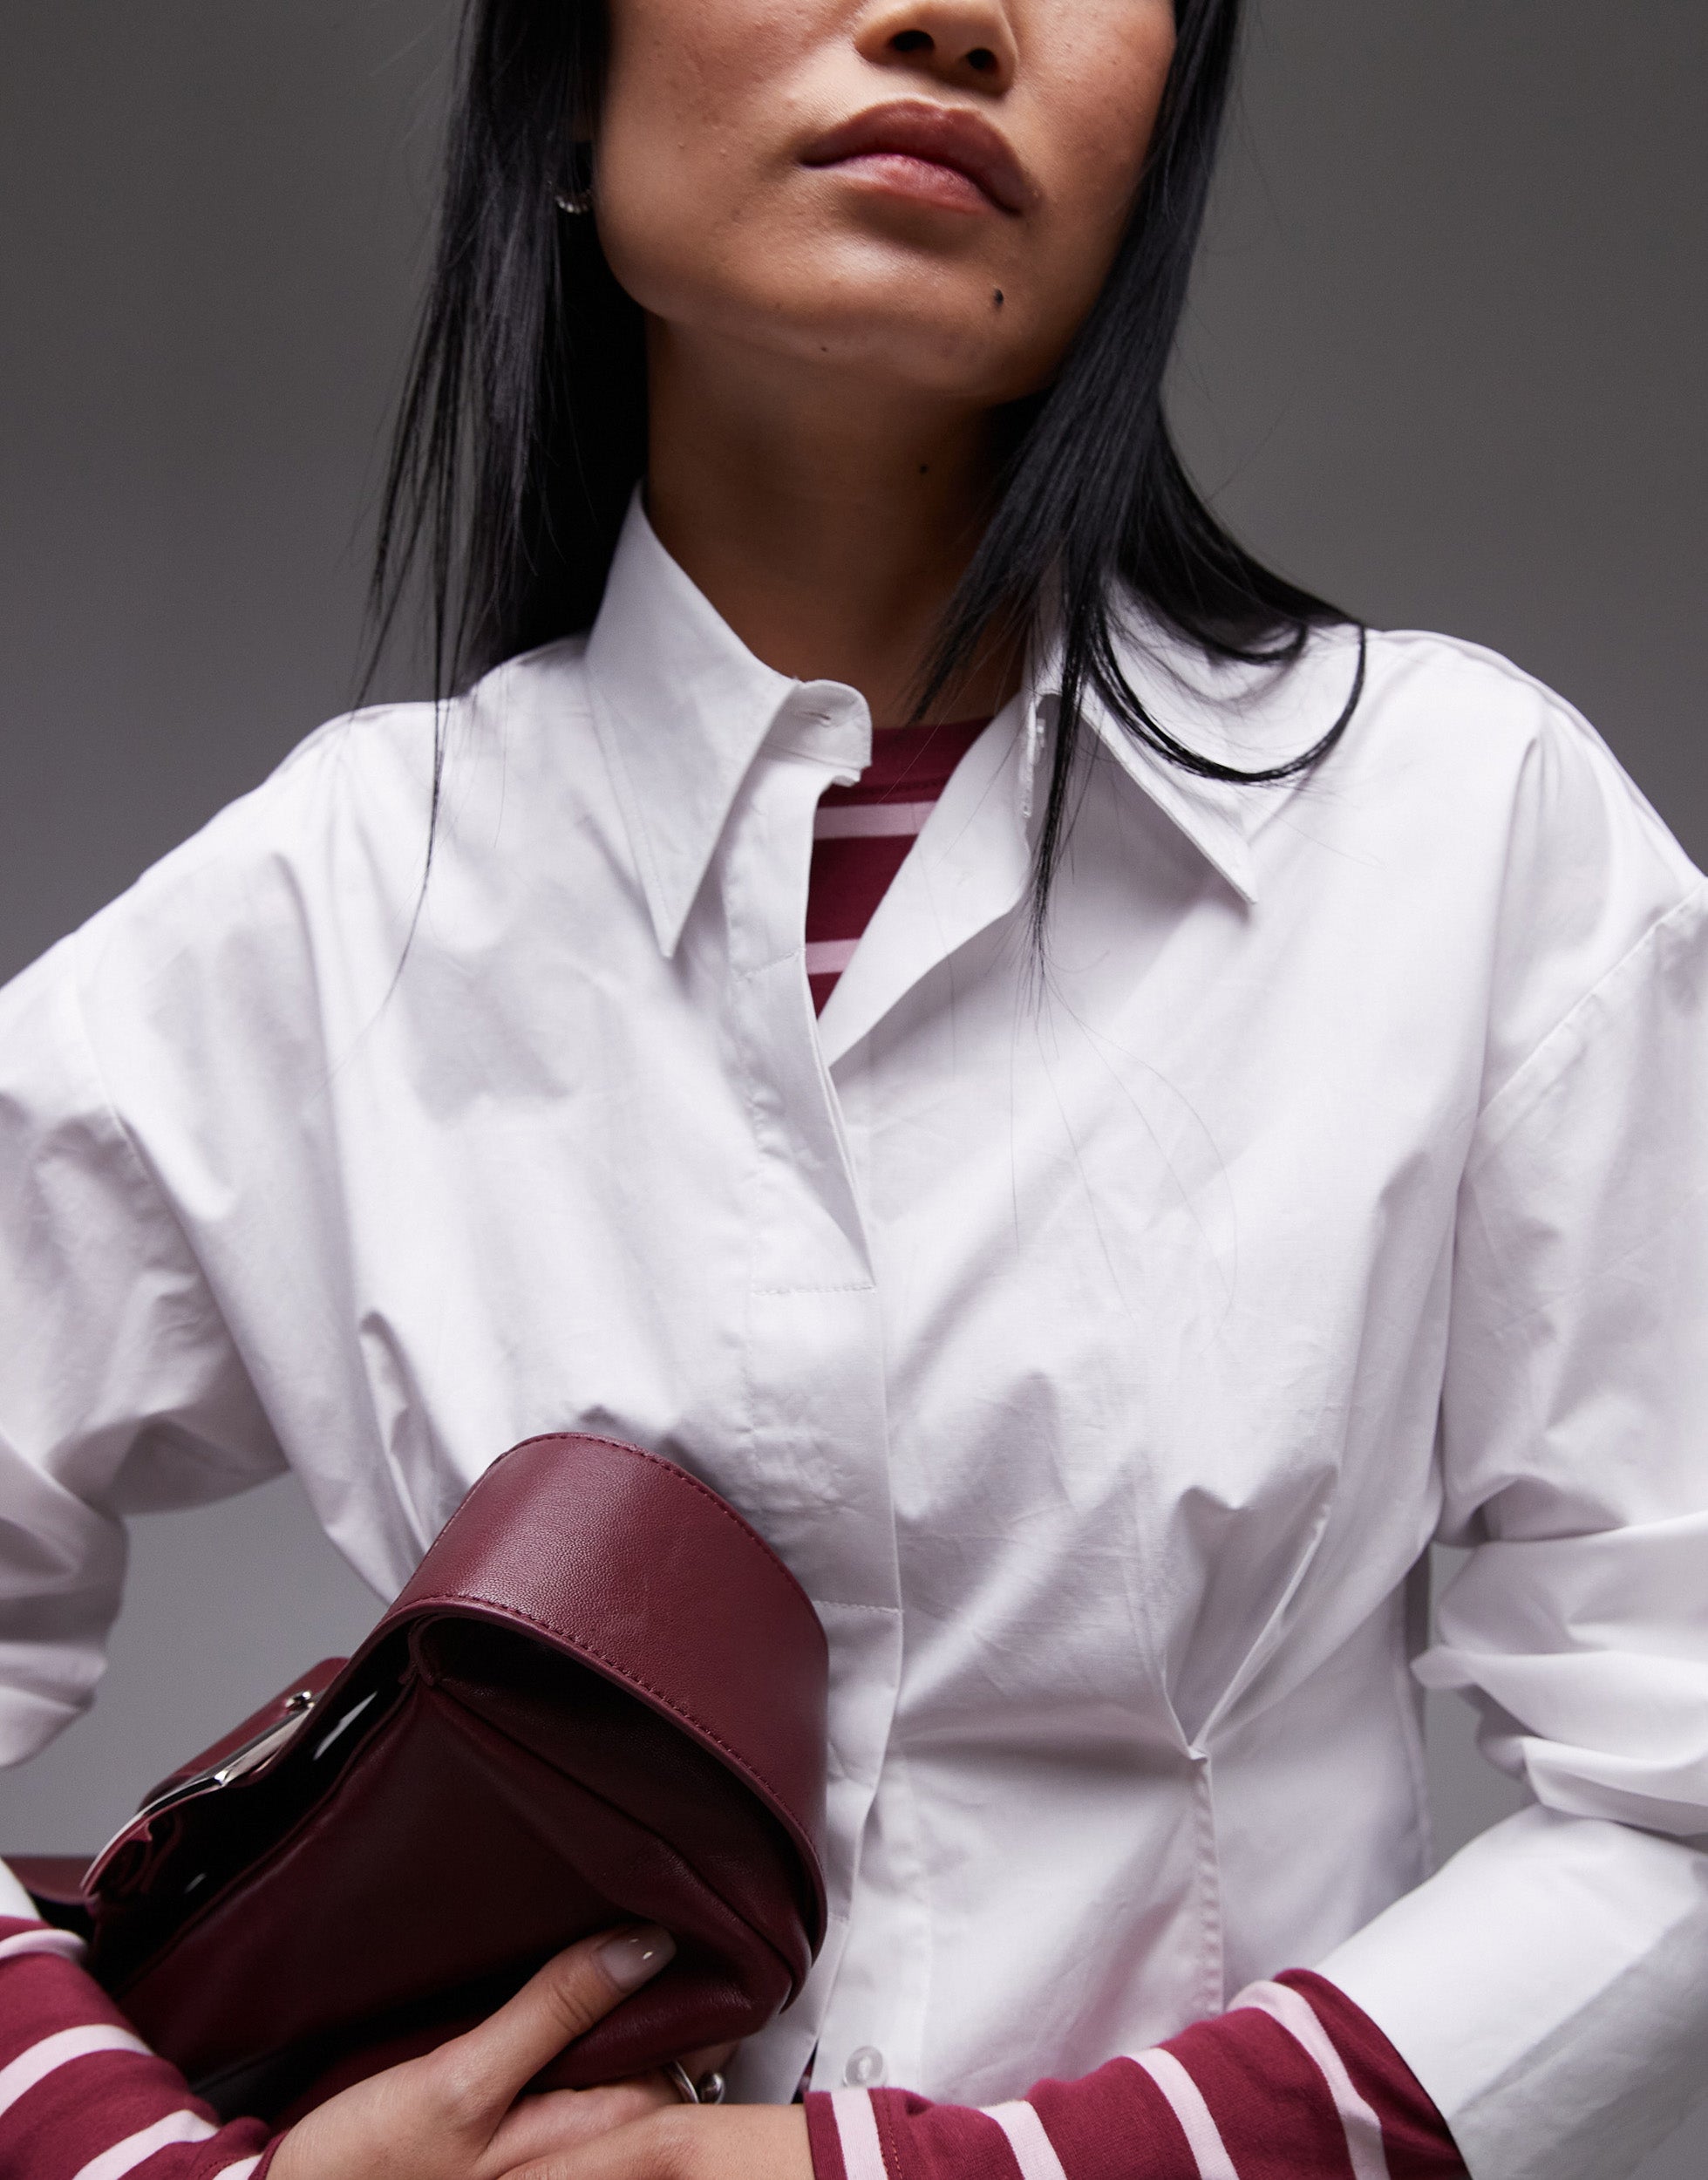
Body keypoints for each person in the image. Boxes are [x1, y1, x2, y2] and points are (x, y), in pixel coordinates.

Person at [1, 2, 1705, 2178]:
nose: (948, 15)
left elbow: (1677, 1789)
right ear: (563, 81)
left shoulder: (1464, 835)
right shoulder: (335, 899)